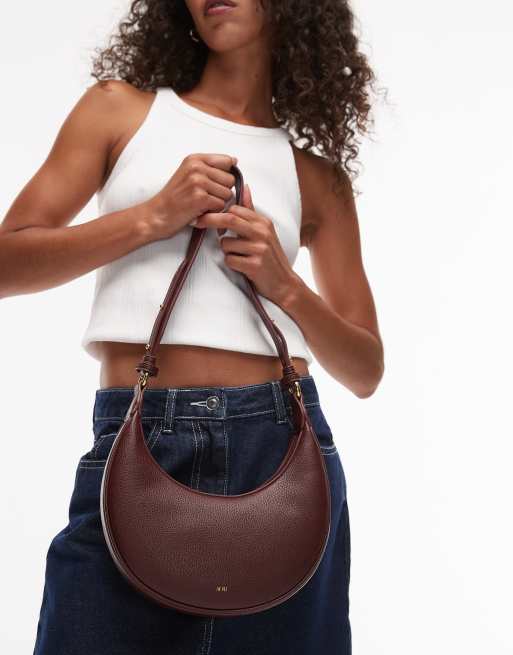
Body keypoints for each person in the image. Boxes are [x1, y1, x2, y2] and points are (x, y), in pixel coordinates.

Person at [0, 1, 384, 653]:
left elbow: (365, 369)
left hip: (281, 440)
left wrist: (285, 285)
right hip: (140, 430)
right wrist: (153, 217)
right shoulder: (119, 111)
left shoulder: (316, 176)